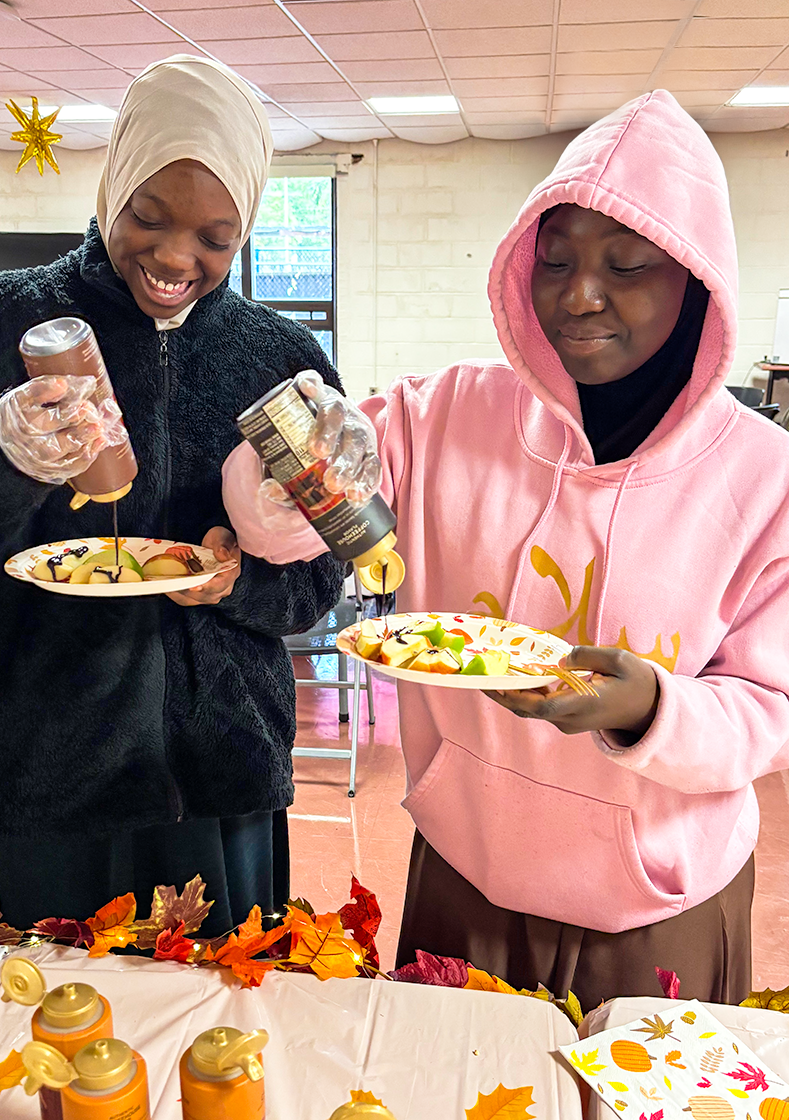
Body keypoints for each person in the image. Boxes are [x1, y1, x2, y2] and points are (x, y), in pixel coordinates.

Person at [222, 90, 789, 1006]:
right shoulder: (445, 412)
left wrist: (651, 709)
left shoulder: (767, 480)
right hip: (468, 863)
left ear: (695, 279)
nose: (579, 295)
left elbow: (772, 708)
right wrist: (282, 466)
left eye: (628, 264)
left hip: (655, 899)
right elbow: (282, 525)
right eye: (553, 260)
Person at [0, 55, 344, 934]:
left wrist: (241, 582)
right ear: (111, 187)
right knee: (44, 1047)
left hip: (222, 781)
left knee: (218, 1044)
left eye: (215, 237)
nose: (174, 256)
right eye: (147, 217)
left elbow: (321, 586)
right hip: (49, 780)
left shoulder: (282, 360)